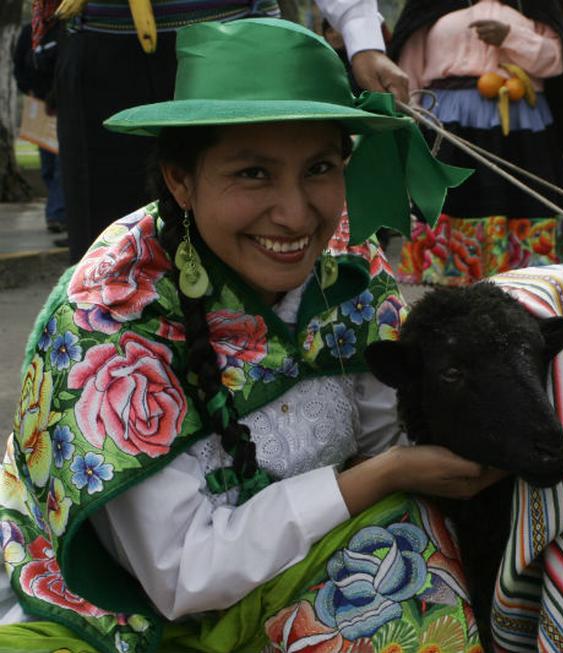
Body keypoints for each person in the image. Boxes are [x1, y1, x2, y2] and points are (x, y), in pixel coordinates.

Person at [0, 18, 498, 652]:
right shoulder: (108, 319)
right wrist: (384, 476)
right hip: (126, 613)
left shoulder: (348, 266)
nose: (294, 214)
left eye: (319, 168)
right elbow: (181, 574)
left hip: (308, 562)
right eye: (253, 174)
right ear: (181, 179)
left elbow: (388, 429)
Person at [39, 0, 411, 264]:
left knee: (302, 254)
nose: (294, 217)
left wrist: (363, 40)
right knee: (105, 257)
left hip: (244, 44)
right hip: (101, 48)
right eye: (254, 172)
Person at [390, 0, 563, 286]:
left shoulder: (534, 6)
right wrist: (410, 125)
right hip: (451, 120)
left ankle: (526, 288)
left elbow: (554, 59)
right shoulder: (429, 7)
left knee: (525, 198)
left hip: (520, 125)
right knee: (453, 199)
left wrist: (510, 37)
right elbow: (408, 72)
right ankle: (452, 290)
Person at [11, 22, 65, 242]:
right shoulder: (30, 32)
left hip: (63, 107)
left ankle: (58, 215)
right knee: (48, 166)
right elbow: (19, 68)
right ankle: (56, 212)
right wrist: (30, 90)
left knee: (62, 166)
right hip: (40, 109)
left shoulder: (64, 29)